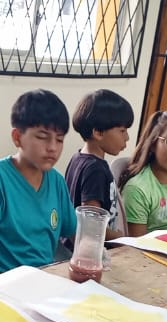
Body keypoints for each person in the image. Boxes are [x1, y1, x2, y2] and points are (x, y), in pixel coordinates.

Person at [0, 89, 76, 279]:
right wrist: (4, 287)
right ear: (17, 137)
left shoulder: (57, 181)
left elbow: (77, 236)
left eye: (60, 140)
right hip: (5, 282)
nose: (52, 147)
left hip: (46, 282)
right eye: (42, 137)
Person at [65, 89, 134, 239]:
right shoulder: (95, 169)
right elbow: (91, 224)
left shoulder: (78, 157)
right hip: (87, 248)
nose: (127, 137)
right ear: (98, 132)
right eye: (122, 131)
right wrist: (121, 239)